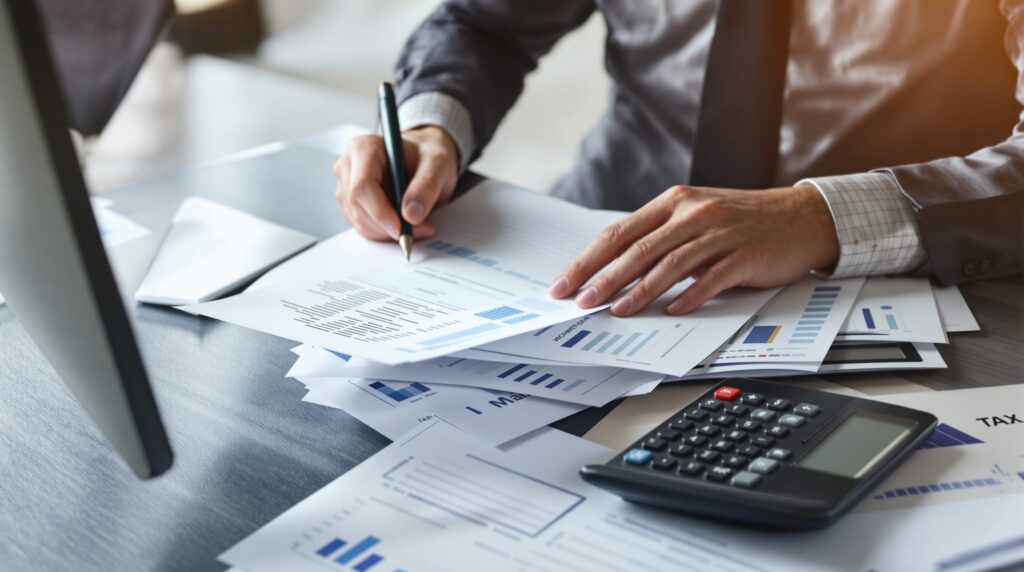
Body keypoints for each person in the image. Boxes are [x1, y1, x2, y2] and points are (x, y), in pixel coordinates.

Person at [334, 0, 1024, 317]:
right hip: (598, 237)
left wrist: (819, 217)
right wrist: (430, 129)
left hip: (885, 284)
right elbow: (484, 23)